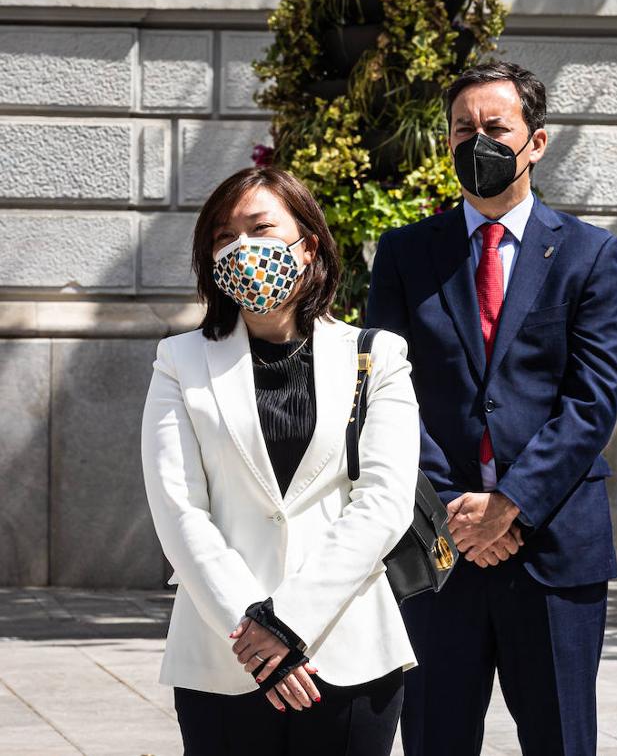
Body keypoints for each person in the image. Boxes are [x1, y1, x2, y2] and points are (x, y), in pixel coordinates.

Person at [366, 61, 617, 756]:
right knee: (434, 738)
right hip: (437, 547)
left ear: (536, 142)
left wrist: (509, 503)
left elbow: (592, 399)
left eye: (494, 127)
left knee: (561, 741)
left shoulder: (589, 255)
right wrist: (455, 510)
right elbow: (385, 394)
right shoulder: (403, 254)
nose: (475, 141)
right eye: (461, 129)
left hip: (553, 548)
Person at [141, 166, 419, 755]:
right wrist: (254, 629)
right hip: (222, 656)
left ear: (308, 243)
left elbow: (384, 502)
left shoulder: (377, 356)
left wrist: (289, 622)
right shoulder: (179, 362)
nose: (242, 248)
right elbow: (179, 510)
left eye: (261, 228)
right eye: (224, 236)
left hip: (349, 653)